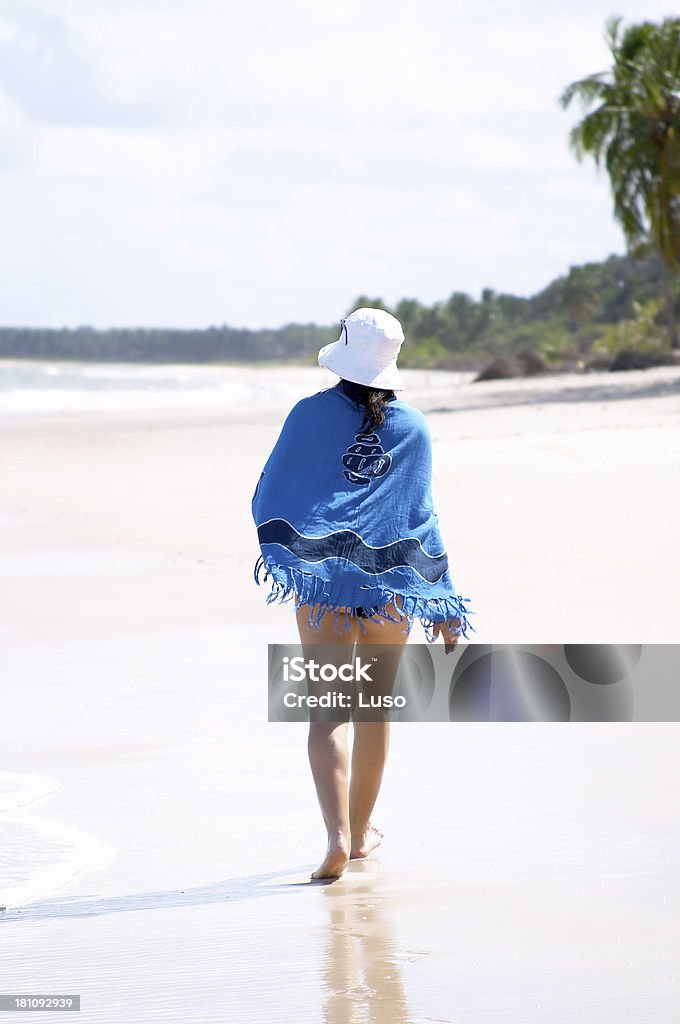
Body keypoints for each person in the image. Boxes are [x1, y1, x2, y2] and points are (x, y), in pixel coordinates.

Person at [252, 307, 474, 879]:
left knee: (327, 714)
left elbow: (272, 493)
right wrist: (444, 601)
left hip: (324, 584)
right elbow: (420, 518)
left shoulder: (308, 415)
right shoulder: (414, 427)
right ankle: (359, 836)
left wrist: (296, 553)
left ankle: (335, 836)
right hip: (392, 590)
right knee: (374, 713)